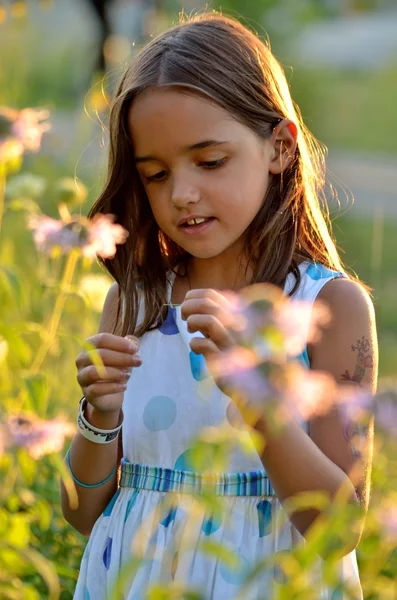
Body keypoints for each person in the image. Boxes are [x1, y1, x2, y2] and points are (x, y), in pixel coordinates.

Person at [60, 12, 378, 600]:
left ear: (279, 147)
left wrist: (258, 394)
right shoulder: (134, 304)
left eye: (209, 162)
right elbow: (82, 515)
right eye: (155, 175)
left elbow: (339, 530)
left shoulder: (327, 307)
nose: (181, 194)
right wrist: (98, 414)